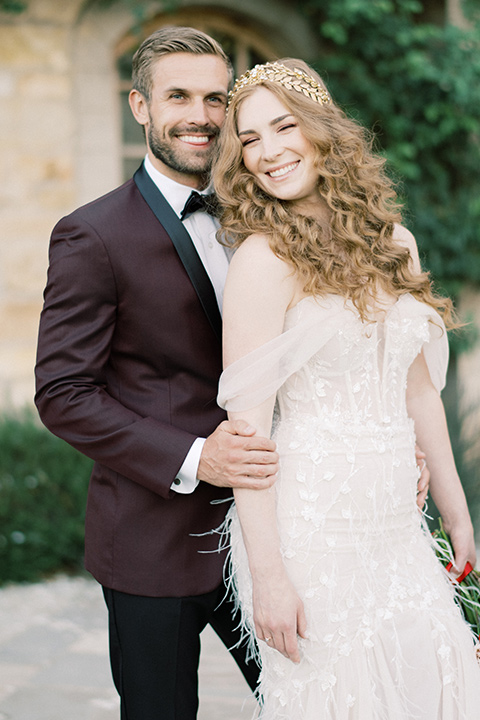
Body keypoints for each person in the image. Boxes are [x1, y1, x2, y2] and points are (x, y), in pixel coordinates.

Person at [212, 59, 480, 718]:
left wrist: (457, 512)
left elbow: (417, 394)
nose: (268, 151)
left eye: (283, 127)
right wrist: (269, 578)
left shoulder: (397, 244)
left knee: (436, 686)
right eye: (249, 139)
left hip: (396, 529)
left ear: (322, 128)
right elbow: (247, 435)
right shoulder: (261, 260)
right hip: (311, 537)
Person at [34, 26, 282, 720]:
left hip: (274, 532)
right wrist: (198, 457)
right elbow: (62, 393)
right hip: (152, 542)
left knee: (313, 699)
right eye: (178, 96)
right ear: (140, 106)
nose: (199, 116)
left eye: (214, 98)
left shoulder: (268, 219)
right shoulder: (93, 234)